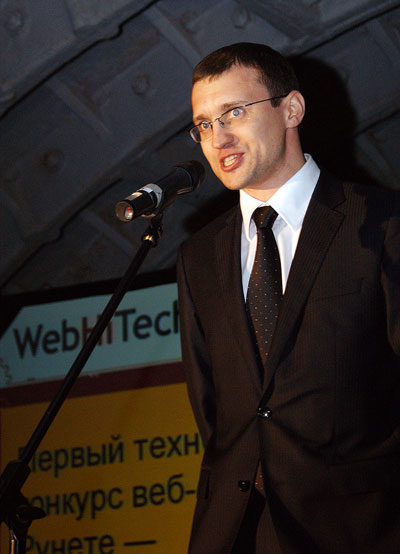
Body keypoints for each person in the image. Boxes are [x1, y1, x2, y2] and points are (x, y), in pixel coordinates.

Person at [176, 42, 400, 554]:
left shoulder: (382, 223)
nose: (218, 137)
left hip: (362, 528)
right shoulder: (199, 255)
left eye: (234, 112)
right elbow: (213, 409)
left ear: (291, 109)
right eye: (204, 124)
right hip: (236, 532)